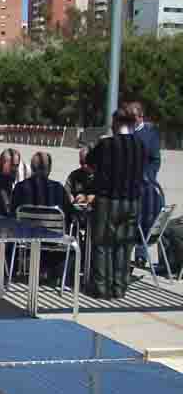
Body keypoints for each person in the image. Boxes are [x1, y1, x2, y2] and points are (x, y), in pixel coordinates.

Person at [85, 106, 145, 299]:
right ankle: (119, 288)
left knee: (102, 244)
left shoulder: (107, 144)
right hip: (132, 202)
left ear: (116, 123)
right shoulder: (140, 145)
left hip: (108, 201)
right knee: (123, 245)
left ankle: (101, 287)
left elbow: (89, 160)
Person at [12, 151, 74, 283]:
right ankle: (58, 275)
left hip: (26, 238)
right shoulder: (58, 189)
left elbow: (12, 214)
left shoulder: (20, 188)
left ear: (32, 168)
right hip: (53, 239)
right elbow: (70, 216)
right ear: (49, 169)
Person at [127, 100, 164, 258]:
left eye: (133, 117)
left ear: (141, 116)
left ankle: (141, 253)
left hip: (144, 185)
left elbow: (155, 160)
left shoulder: (150, 134)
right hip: (126, 184)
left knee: (143, 215)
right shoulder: (125, 132)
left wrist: (148, 177)